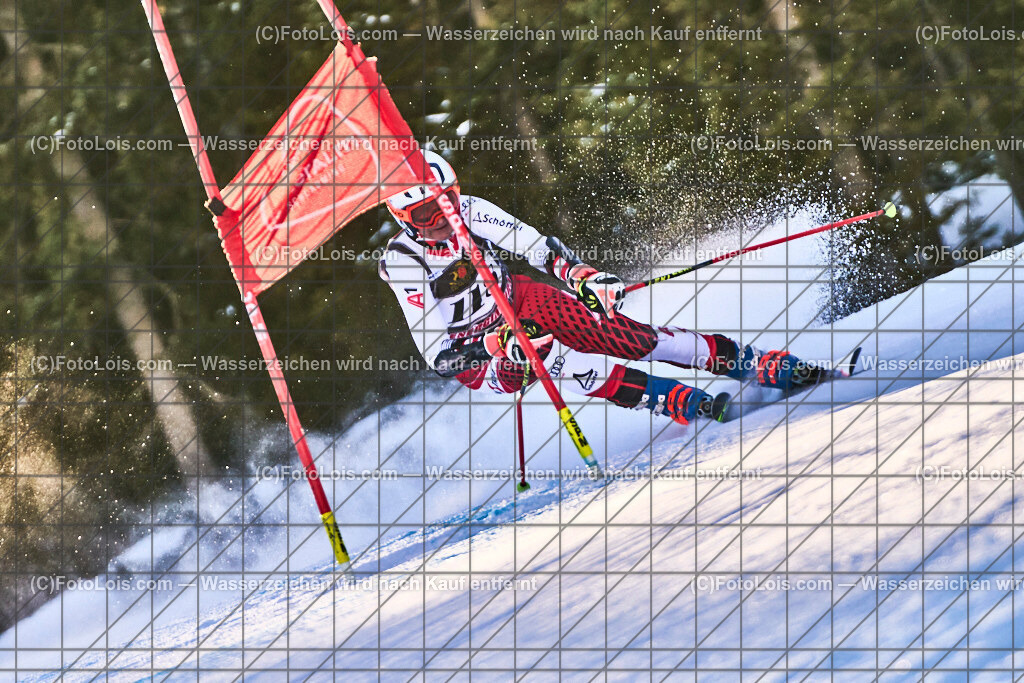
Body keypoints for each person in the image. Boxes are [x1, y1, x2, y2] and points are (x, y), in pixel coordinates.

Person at [379, 151, 829, 425]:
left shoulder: (470, 210)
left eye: (446, 203)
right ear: (404, 220)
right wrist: (497, 347)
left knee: (619, 334)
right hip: (483, 354)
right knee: (560, 359)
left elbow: (535, 246)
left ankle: (749, 362)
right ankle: (668, 398)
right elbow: (437, 354)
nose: (443, 220)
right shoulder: (404, 261)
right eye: (426, 216)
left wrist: (582, 276)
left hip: (518, 300)